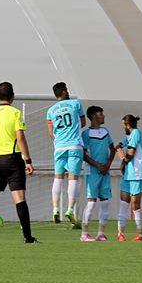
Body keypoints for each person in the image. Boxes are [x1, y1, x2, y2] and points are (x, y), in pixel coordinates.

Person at [0, 81, 37, 244]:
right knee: (19, 197)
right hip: (12, 159)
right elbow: (20, 137)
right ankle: (28, 237)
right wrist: (28, 160)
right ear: (12, 96)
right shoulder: (15, 113)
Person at [46, 82, 85, 228]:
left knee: (58, 178)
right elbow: (83, 122)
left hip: (59, 147)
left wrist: (60, 138)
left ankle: (55, 209)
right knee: (73, 178)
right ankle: (69, 210)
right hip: (74, 145)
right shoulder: (75, 103)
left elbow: (51, 133)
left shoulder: (51, 110)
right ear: (63, 91)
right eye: (66, 90)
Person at [80, 106, 116, 242]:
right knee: (91, 203)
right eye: (101, 113)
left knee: (105, 202)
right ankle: (84, 234)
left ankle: (101, 233)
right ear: (94, 116)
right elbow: (83, 154)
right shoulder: (86, 134)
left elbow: (112, 149)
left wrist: (107, 165)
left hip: (105, 171)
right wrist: (98, 165)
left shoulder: (105, 131)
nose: (103, 116)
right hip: (92, 172)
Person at [115, 114, 142, 241]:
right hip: (127, 175)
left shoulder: (136, 133)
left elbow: (130, 153)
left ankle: (140, 234)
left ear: (127, 125)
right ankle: (120, 234)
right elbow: (119, 146)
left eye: (123, 125)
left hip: (137, 174)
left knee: (135, 205)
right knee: (123, 203)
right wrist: (118, 148)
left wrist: (122, 158)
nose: (123, 127)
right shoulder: (128, 136)